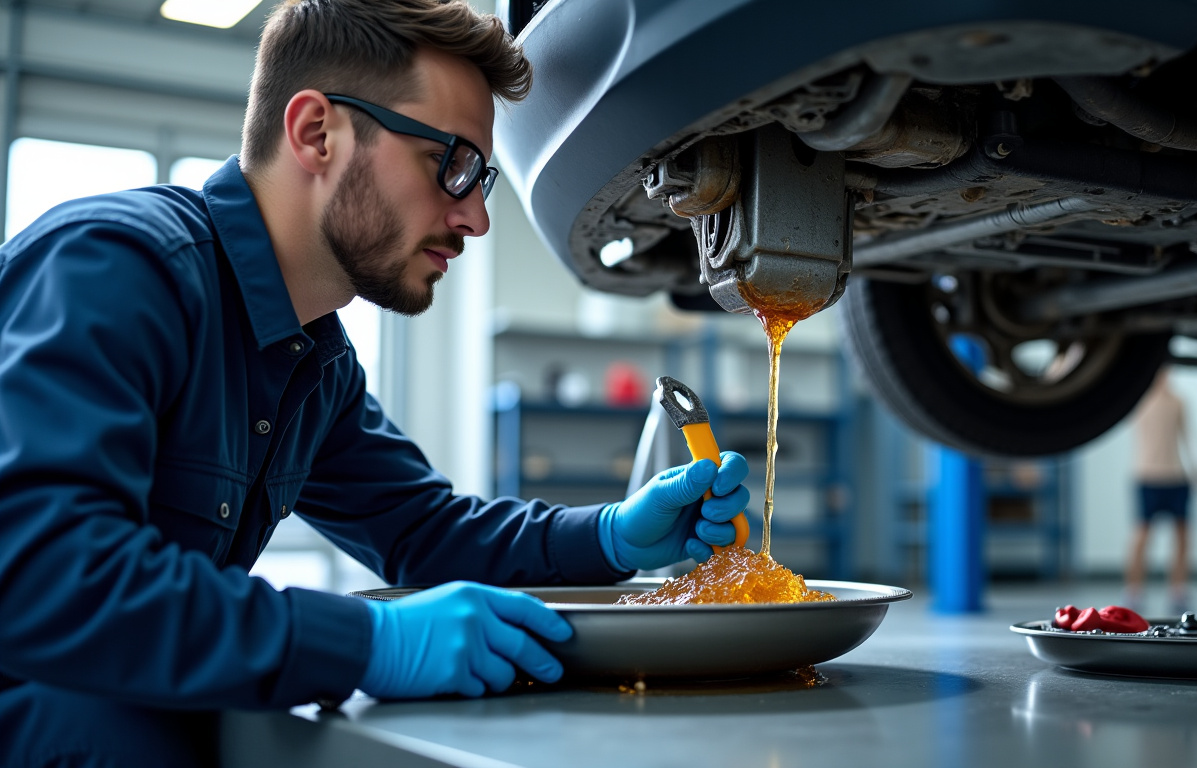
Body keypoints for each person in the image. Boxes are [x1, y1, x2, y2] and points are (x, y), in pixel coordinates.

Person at [0, 2, 751, 765]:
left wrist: (609, 534)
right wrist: (364, 643)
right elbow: (42, 575)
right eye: (451, 164)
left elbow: (425, 533)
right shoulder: (117, 268)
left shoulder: (314, 363)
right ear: (316, 133)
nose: (476, 219)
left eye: (482, 178)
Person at [1124, 366, 1197, 612]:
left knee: (1183, 536)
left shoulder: (1178, 402)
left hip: (1176, 475)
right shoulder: (1140, 401)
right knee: (1141, 536)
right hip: (1148, 475)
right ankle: (1134, 590)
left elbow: (1187, 436)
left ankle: (1178, 590)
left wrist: (1195, 467)